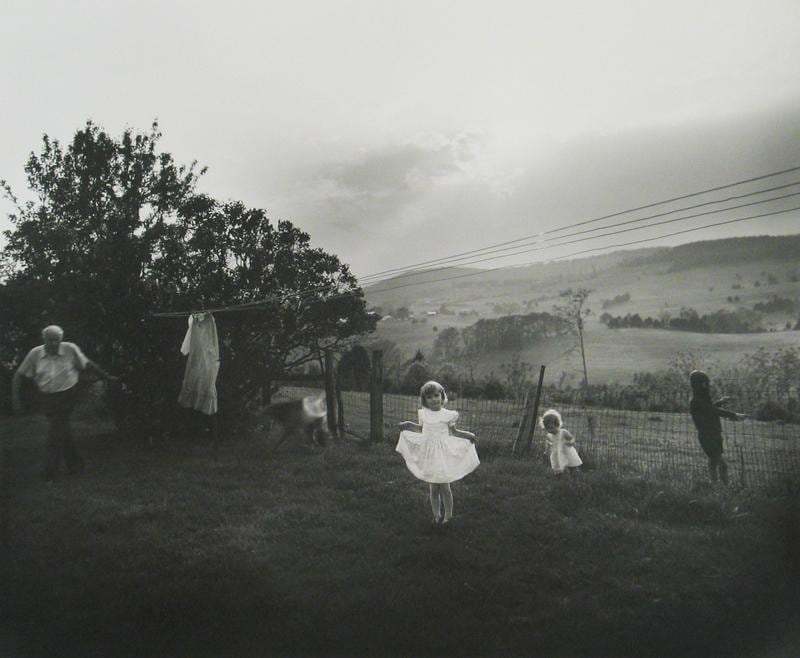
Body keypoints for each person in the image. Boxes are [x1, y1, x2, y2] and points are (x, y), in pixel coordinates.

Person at [11, 325, 118, 482]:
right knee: (62, 430)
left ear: (61, 340)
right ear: (44, 340)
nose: (54, 344)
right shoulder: (35, 354)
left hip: (68, 394)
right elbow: (18, 376)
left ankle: (49, 473)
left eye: (57, 340)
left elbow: (88, 364)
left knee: (55, 432)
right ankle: (76, 464)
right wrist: (16, 399)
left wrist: (106, 376)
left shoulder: (70, 348)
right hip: (47, 397)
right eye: (50, 340)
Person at [396, 381, 479, 527]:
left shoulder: (448, 415)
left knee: (445, 487)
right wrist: (408, 424)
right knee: (433, 488)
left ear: (442, 396)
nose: (434, 399)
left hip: (442, 453)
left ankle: (448, 516)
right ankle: (436, 515)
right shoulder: (423, 414)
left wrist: (468, 435)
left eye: (436, 395)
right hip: (429, 454)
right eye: (429, 397)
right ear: (425, 400)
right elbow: (421, 429)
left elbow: (454, 432)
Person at [688, 370, 746, 486]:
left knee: (713, 461)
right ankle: (726, 488)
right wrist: (734, 415)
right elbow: (712, 410)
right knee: (723, 464)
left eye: (706, 383)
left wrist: (720, 402)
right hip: (707, 436)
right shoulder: (695, 401)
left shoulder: (700, 399)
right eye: (704, 383)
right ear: (698, 384)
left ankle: (714, 486)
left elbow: (709, 408)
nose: (706, 385)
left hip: (714, 433)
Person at [540, 408, 583, 477]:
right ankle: (559, 476)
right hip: (556, 454)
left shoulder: (563, 432)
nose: (550, 430)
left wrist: (570, 443)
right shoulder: (549, 435)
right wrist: (546, 450)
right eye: (547, 429)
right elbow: (548, 444)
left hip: (566, 452)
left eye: (551, 428)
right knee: (557, 465)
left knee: (571, 464)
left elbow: (572, 438)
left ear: (557, 424)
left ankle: (575, 474)